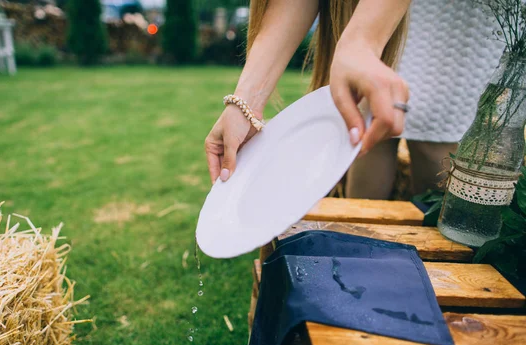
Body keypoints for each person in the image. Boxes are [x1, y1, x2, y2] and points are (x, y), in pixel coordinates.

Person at [204, 0, 506, 199]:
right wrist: (245, 102)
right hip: (367, 13)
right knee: (366, 135)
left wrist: (362, 41)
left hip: (458, 16)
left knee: (436, 136)